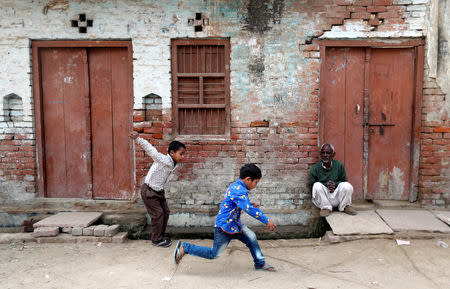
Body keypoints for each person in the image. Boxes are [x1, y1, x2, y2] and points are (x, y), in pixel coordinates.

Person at [173, 164, 278, 271]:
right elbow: (249, 209)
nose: (256, 185)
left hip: (234, 225)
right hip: (224, 227)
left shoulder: (236, 186)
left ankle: (260, 263)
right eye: (256, 182)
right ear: (248, 179)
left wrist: (249, 204)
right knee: (213, 254)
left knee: (251, 238)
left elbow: (241, 204)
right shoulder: (239, 190)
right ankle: (185, 248)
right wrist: (266, 220)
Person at [130, 131, 186, 247]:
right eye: (181, 154)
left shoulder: (172, 162)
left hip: (159, 191)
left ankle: (160, 237)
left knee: (165, 212)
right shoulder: (163, 159)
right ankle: (156, 240)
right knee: (158, 214)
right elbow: (151, 150)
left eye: (184, 154)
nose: (183, 157)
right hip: (149, 191)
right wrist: (138, 139)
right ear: (172, 152)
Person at [309, 143, 357, 217]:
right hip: (324, 198)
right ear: (320, 154)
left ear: (333, 155)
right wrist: (326, 185)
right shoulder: (315, 168)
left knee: (347, 186)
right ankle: (326, 208)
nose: (325, 155)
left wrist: (334, 185)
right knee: (316, 185)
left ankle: (345, 206)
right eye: (323, 153)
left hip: (337, 197)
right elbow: (312, 186)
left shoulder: (339, 165)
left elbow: (344, 181)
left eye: (328, 153)